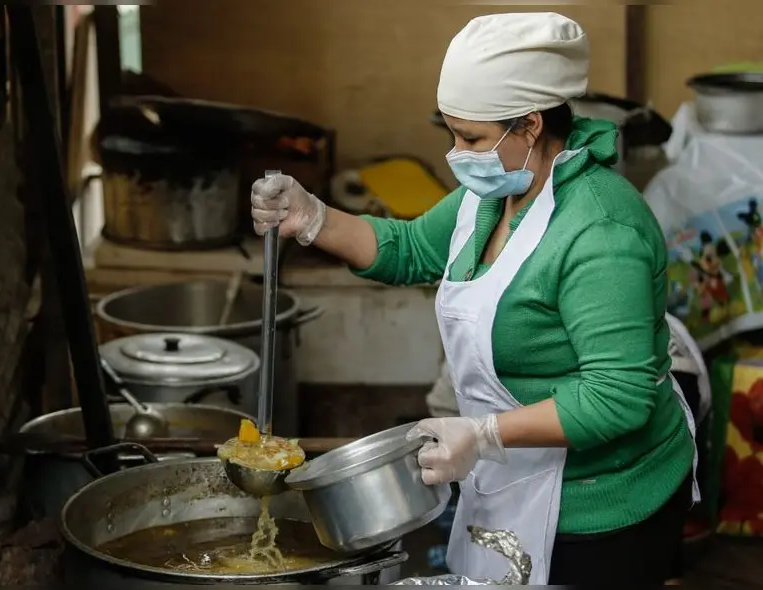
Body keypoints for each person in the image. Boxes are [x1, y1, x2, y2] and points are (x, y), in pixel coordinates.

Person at [250, 12, 699, 587]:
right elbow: (410, 248)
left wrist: (484, 434)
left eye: (472, 139)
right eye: (453, 135)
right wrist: (312, 218)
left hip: (600, 506)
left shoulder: (602, 230)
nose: (457, 155)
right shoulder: (492, 196)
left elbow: (617, 397)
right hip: (508, 477)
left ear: (530, 125)